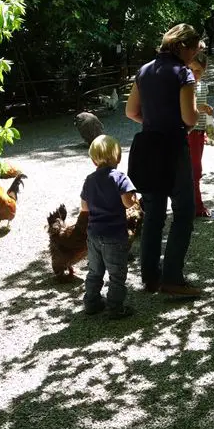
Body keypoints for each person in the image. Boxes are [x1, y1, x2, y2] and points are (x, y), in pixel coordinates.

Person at [125, 24, 204, 297]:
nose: (194, 55)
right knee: (183, 213)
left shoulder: (144, 71)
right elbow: (190, 119)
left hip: (148, 147)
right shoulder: (183, 74)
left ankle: (150, 278)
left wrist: (154, 121)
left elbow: (130, 111)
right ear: (183, 47)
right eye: (193, 49)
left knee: (154, 215)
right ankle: (172, 278)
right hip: (173, 148)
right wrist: (178, 124)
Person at [80, 135, 138, 319]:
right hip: (114, 235)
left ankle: (91, 302)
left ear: (93, 159)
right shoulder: (120, 178)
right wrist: (134, 198)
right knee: (117, 273)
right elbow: (128, 203)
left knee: (95, 271)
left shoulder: (89, 180)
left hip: (94, 234)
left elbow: (84, 207)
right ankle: (115, 307)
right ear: (118, 158)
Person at [188, 50, 214, 218]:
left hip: (198, 132)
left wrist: (207, 116)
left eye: (198, 70)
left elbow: (201, 107)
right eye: (191, 69)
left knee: (196, 169)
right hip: (187, 131)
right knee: (193, 169)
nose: (194, 74)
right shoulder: (184, 86)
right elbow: (186, 109)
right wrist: (199, 109)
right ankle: (195, 205)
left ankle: (196, 204)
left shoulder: (203, 86)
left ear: (204, 71)